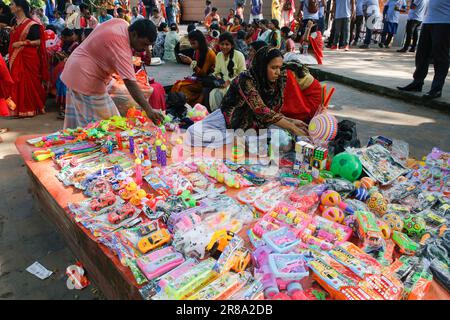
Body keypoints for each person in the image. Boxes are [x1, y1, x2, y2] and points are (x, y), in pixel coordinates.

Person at [186, 46, 307, 148]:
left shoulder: (275, 81)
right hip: (230, 119)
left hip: (256, 122)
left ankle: (243, 140)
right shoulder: (246, 79)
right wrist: (292, 127)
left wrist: (292, 121)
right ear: (262, 66)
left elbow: (270, 111)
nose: (278, 72)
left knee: (285, 143)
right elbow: (260, 109)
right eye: (273, 67)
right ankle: (240, 139)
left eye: (279, 67)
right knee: (192, 133)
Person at [60, 19, 164, 128]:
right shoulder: (121, 46)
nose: (144, 49)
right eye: (144, 44)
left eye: (148, 46)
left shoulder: (122, 23)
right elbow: (130, 83)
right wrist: (149, 110)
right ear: (134, 34)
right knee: (109, 126)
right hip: (85, 77)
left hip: (76, 70)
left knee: (82, 125)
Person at [397, 0, 450, 99]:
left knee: (440, 56)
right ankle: (417, 82)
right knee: (421, 54)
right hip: (428, 21)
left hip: (445, 22)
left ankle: (437, 88)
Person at [8, 0, 48, 118]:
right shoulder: (13, 22)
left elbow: (39, 42)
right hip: (16, 57)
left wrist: (21, 43)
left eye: (12, 4)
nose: (10, 6)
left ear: (19, 7)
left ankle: (31, 107)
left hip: (29, 58)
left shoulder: (32, 24)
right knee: (17, 80)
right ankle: (18, 109)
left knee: (30, 82)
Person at [171, 30, 216, 105]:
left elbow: (203, 73)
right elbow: (196, 70)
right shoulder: (198, 51)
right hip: (198, 79)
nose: (192, 46)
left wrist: (191, 62)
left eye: (193, 43)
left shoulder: (209, 53)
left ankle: (191, 103)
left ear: (200, 41)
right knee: (177, 85)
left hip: (206, 81)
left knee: (180, 87)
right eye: (191, 43)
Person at [209, 32, 247, 111]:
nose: (224, 47)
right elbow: (217, 71)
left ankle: (225, 115)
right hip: (222, 83)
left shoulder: (239, 55)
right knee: (213, 93)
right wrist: (218, 78)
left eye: (227, 44)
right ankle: (217, 114)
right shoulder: (219, 55)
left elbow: (243, 74)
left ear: (232, 45)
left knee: (221, 94)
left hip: (236, 84)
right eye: (222, 44)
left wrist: (229, 81)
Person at [53, 27, 79, 119]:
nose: (63, 39)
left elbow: (74, 58)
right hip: (67, 66)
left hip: (74, 69)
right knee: (60, 79)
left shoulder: (76, 45)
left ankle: (66, 107)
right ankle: (63, 106)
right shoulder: (66, 43)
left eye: (64, 37)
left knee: (63, 81)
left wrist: (65, 56)